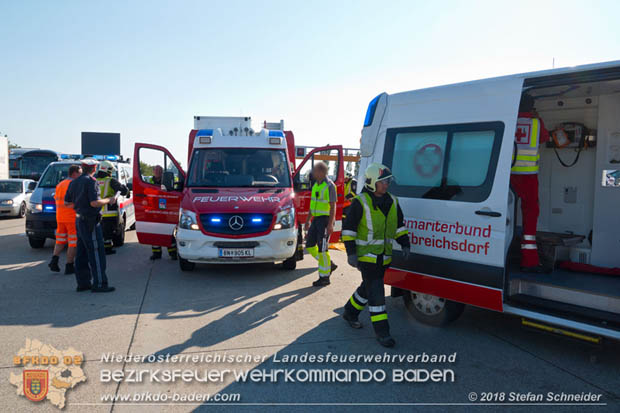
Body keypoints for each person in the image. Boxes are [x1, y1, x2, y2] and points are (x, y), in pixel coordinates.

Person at [341, 163, 410, 348]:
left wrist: (405, 243)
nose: (386, 184)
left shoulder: (393, 201)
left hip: (384, 257)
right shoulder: (360, 202)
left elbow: (399, 226)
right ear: (372, 183)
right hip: (366, 258)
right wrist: (351, 253)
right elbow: (348, 230)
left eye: (388, 181)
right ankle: (383, 333)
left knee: (368, 287)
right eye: (382, 181)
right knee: (377, 294)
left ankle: (350, 312)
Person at [511, 93, 550, 273]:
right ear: (531, 107)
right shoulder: (536, 123)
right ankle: (529, 259)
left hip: (508, 175)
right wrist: (537, 117)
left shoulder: (509, 119)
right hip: (528, 176)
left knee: (505, 213)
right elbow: (544, 138)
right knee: (530, 214)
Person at [64, 158, 116, 293]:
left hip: (79, 221)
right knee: (96, 252)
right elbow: (94, 203)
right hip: (90, 221)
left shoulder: (73, 182)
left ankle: (83, 283)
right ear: (94, 168)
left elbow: (67, 203)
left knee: (81, 253)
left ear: (83, 167)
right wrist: (109, 200)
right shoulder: (91, 182)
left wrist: (80, 204)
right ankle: (99, 284)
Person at [304, 161, 338, 287]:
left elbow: (333, 207)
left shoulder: (330, 186)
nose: (313, 172)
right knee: (310, 246)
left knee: (322, 249)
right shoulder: (315, 186)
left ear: (322, 172)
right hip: (316, 220)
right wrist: (308, 220)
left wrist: (330, 224)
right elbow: (312, 205)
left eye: (315, 170)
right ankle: (329, 264)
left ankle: (324, 277)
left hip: (324, 220)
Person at [49, 164, 82, 274]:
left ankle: (54, 260)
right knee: (73, 242)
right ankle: (69, 266)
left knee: (60, 240)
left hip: (60, 217)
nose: (81, 175)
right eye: (80, 173)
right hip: (71, 217)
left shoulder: (60, 184)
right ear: (74, 173)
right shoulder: (74, 184)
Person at [95, 160, 129, 255]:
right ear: (108, 170)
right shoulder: (111, 181)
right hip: (109, 212)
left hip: (97, 212)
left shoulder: (94, 180)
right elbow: (123, 190)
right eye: (111, 170)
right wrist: (126, 191)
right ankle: (107, 250)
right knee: (108, 233)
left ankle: (101, 248)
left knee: (100, 232)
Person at [148, 165, 177, 260]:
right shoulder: (149, 181)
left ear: (162, 172)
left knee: (168, 230)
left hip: (165, 208)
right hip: (154, 208)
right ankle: (156, 253)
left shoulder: (167, 180)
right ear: (153, 172)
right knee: (154, 231)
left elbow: (173, 190)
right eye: (156, 170)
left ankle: (173, 253)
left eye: (160, 171)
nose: (158, 172)